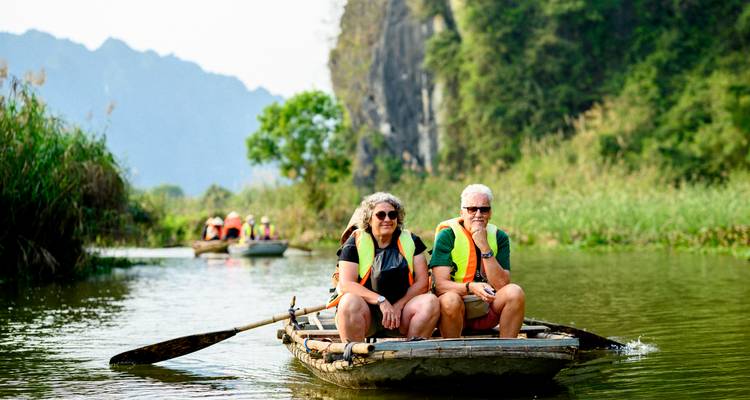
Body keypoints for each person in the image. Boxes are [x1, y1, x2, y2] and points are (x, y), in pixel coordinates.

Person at [331, 192, 440, 342]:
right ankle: (355, 354)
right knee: (349, 301)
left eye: (392, 215)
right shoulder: (353, 243)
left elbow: (422, 283)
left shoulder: (412, 241)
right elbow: (347, 285)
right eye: (380, 215)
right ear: (369, 219)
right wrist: (381, 301)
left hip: (401, 315)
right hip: (365, 315)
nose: (387, 219)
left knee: (431, 301)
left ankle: (411, 353)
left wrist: (398, 306)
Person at [430, 184, 525, 338]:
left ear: (490, 213)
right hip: (455, 309)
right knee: (450, 300)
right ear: (462, 212)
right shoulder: (447, 235)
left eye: (484, 209)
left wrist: (484, 246)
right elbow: (440, 286)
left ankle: (507, 349)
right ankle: (452, 351)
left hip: (487, 309)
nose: (478, 214)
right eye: (472, 209)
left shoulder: (499, 237)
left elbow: (502, 284)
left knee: (515, 292)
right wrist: (471, 287)